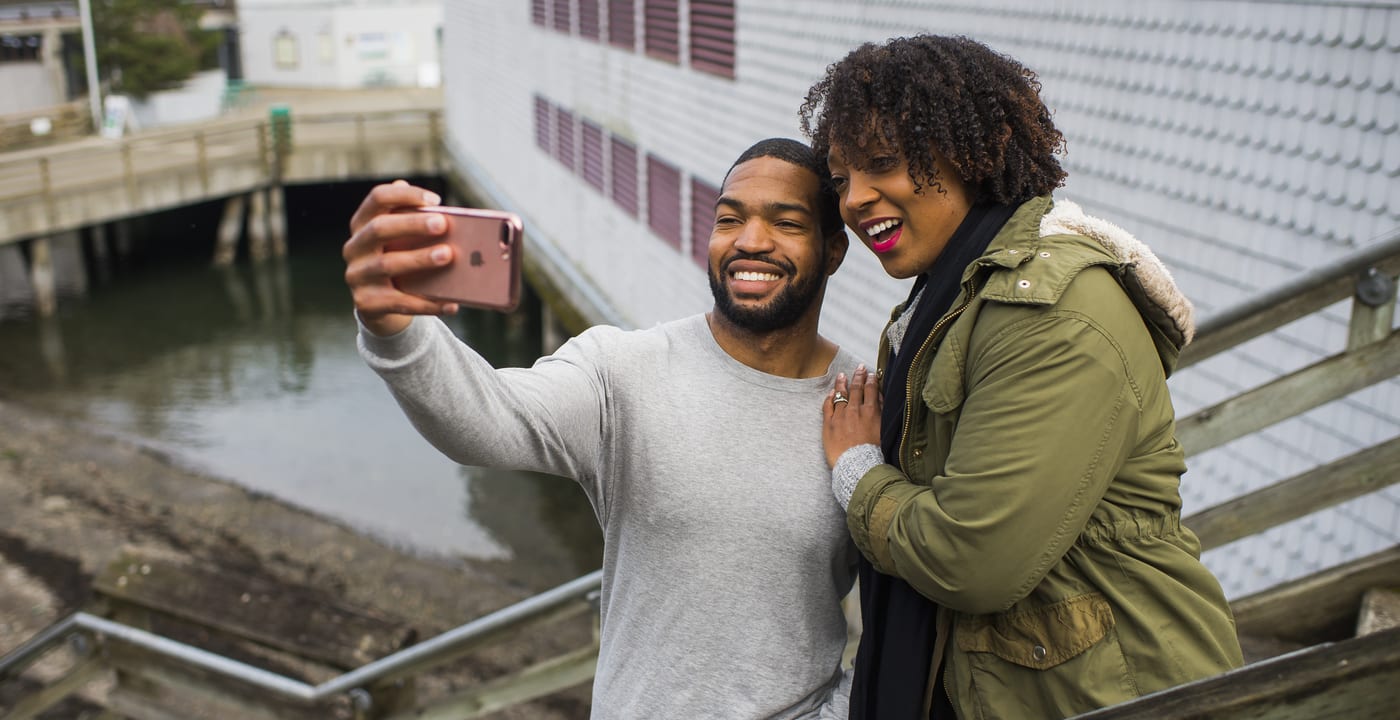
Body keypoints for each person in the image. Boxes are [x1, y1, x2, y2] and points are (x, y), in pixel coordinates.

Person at [801, 35, 1244, 718]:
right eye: (840, 178)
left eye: (882, 163)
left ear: (970, 150)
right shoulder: (948, 298)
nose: (856, 199)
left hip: (1114, 689)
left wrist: (857, 471)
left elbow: (971, 559)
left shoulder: (1052, 311)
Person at [342, 138, 862, 719]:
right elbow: (486, 422)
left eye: (785, 222)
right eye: (729, 219)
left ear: (833, 249)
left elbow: (908, 613)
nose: (748, 240)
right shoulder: (624, 369)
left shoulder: (865, 406)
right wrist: (392, 328)